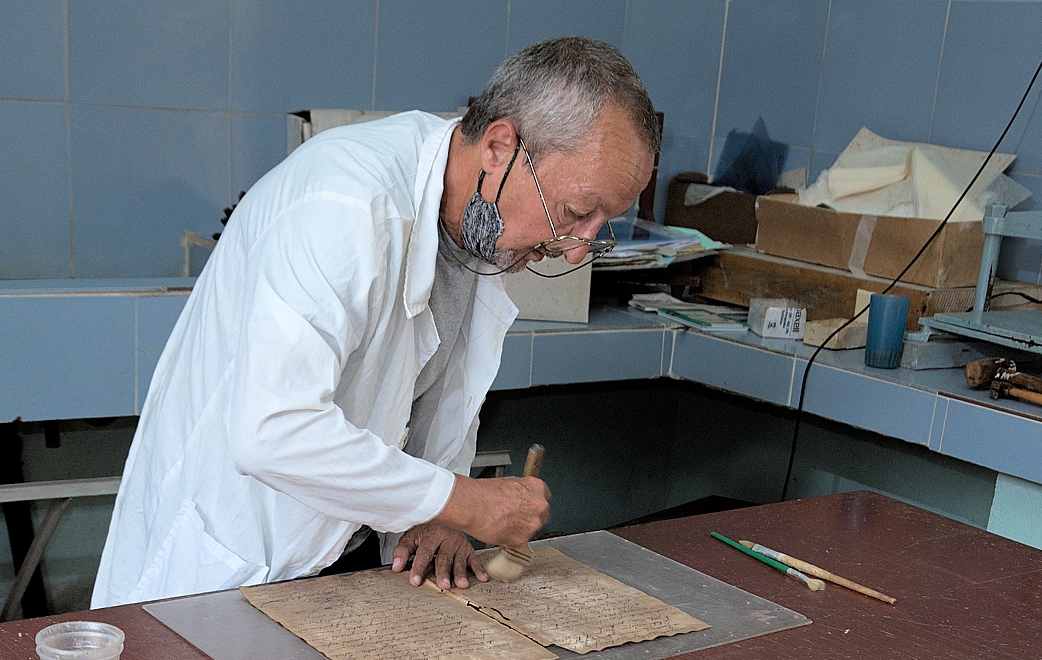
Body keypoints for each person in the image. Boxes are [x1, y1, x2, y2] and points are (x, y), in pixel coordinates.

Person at [91, 37, 658, 606]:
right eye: (578, 213)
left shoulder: (478, 228)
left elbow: (430, 390)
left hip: (338, 562)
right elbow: (272, 431)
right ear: (500, 146)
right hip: (227, 567)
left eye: (601, 224)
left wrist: (436, 513)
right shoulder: (344, 205)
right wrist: (458, 500)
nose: (579, 248)